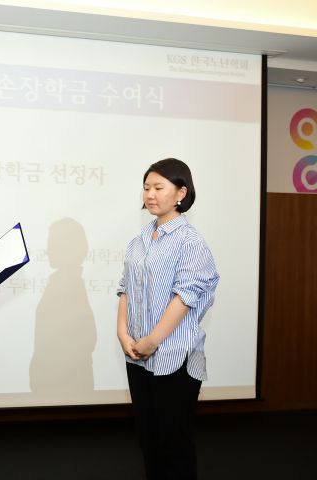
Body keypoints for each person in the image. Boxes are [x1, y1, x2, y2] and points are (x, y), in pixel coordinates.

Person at [116, 158, 219, 480]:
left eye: (159, 187)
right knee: (148, 440)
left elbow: (185, 297)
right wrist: (122, 333)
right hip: (137, 355)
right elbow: (125, 289)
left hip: (175, 356)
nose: (150, 194)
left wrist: (153, 340)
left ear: (181, 193)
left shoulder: (190, 242)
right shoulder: (139, 240)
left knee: (174, 443)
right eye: (147, 187)